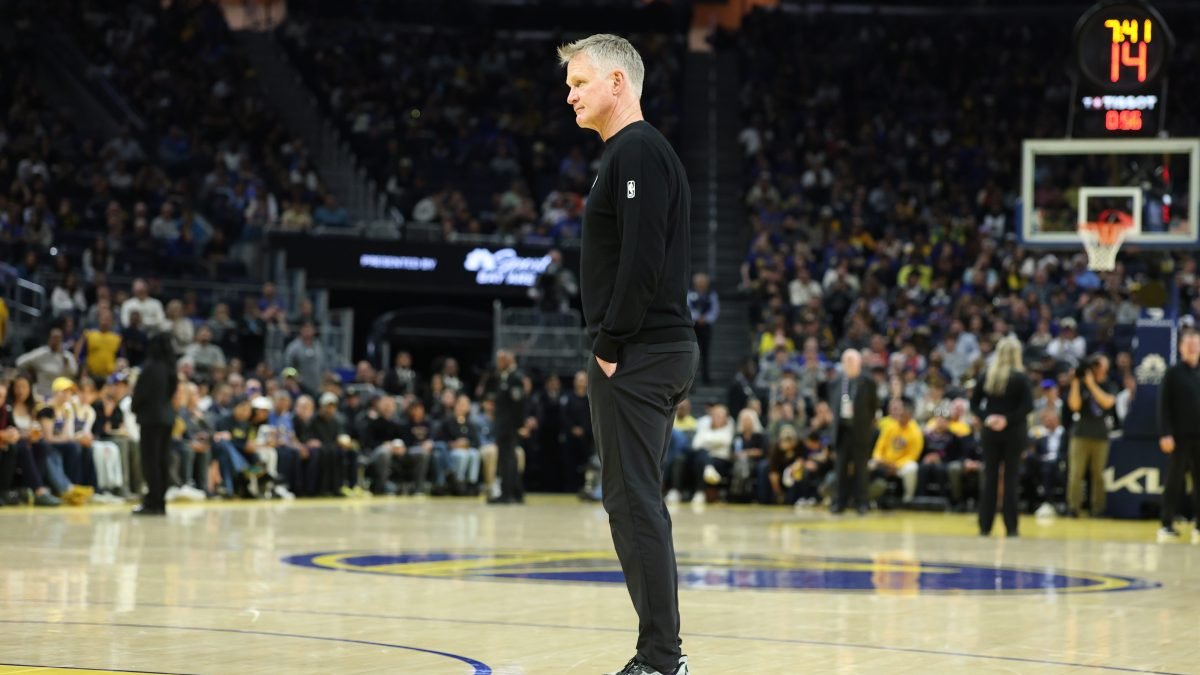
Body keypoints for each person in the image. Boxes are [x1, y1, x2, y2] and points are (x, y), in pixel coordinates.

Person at [562, 33, 696, 675]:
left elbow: (642, 258)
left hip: (639, 351)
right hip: (654, 349)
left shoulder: (636, 149)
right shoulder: (632, 153)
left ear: (617, 82)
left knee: (633, 502)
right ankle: (663, 655)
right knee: (634, 500)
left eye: (579, 82)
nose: (570, 95)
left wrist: (611, 343)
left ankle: (661, 659)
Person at [971, 336, 1033, 537]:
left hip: (990, 432)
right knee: (1011, 478)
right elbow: (1028, 406)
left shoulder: (986, 375)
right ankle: (1011, 527)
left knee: (989, 477)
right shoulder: (1021, 378)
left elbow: (974, 404)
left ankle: (984, 526)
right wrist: (1007, 419)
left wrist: (988, 418)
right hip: (1014, 431)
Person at [1157, 327, 1200, 543]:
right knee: (1174, 481)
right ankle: (1166, 524)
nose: (1192, 347)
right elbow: (1163, 406)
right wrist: (1165, 433)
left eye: (1196, 343)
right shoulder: (1173, 372)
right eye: (1188, 343)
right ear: (1181, 347)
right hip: (1179, 437)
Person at [131, 333, 178, 515]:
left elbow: (141, 394)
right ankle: (161, 501)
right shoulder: (170, 368)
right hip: (167, 418)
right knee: (162, 460)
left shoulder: (150, 367)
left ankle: (152, 501)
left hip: (151, 418)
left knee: (150, 461)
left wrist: (135, 407)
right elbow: (171, 393)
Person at [828, 349, 879, 514]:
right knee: (840, 469)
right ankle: (839, 502)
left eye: (852, 361)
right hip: (842, 431)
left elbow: (874, 406)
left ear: (859, 363)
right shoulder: (836, 381)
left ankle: (862, 502)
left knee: (861, 469)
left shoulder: (868, 381)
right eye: (846, 361)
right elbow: (832, 404)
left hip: (860, 431)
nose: (849, 364)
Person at [1065, 354, 1116, 517]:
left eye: (1099, 364)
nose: (1096, 367)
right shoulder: (1081, 384)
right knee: (1076, 473)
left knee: (1098, 474)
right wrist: (1075, 382)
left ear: (1106, 367)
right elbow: (1074, 406)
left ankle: (1098, 508)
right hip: (1080, 434)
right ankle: (1073, 507)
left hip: (1101, 435)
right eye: (1094, 364)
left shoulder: (1109, 384)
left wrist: (1091, 384)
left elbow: (1107, 402)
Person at [488, 350, 528, 504]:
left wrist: (519, 425)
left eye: (501, 360)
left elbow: (518, 403)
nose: (498, 363)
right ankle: (516, 493)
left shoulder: (515, 378)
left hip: (509, 426)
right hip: (504, 426)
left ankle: (507, 494)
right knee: (508, 458)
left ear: (508, 360)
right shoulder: (505, 377)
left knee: (507, 460)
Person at [687, 273, 719, 384]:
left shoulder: (711, 294)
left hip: (706, 326)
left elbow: (715, 310)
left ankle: (706, 378)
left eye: (703, 283)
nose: (701, 285)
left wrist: (706, 318)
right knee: (692, 353)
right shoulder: (690, 293)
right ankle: (691, 379)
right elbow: (687, 307)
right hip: (693, 326)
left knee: (705, 353)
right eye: (699, 283)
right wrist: (696, 317)